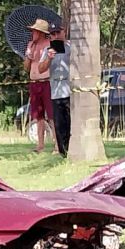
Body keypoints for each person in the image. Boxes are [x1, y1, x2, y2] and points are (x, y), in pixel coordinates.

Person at [38, 23, 71, 156]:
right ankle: (62, 152)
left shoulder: (70, 47)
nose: (55, 36)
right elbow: (41, 69)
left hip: (69, 90)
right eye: (52, 34)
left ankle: (70, 149)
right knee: (58, 124)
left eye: (57, 33)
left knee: (69, 123)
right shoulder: (48, 50)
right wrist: (49, 59)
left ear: (63, 32)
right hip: (56, 92)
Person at [23, 19, 53, 153]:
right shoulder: (31, 45)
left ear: (40, 33)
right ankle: (40, 145)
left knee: (51, 115)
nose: (32, 34)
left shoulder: (49, 44)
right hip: (34, 82)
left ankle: (57, 145)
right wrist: (29, 56)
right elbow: (26, 68)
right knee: (38, 115)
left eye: (35, 31)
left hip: (46, 81)